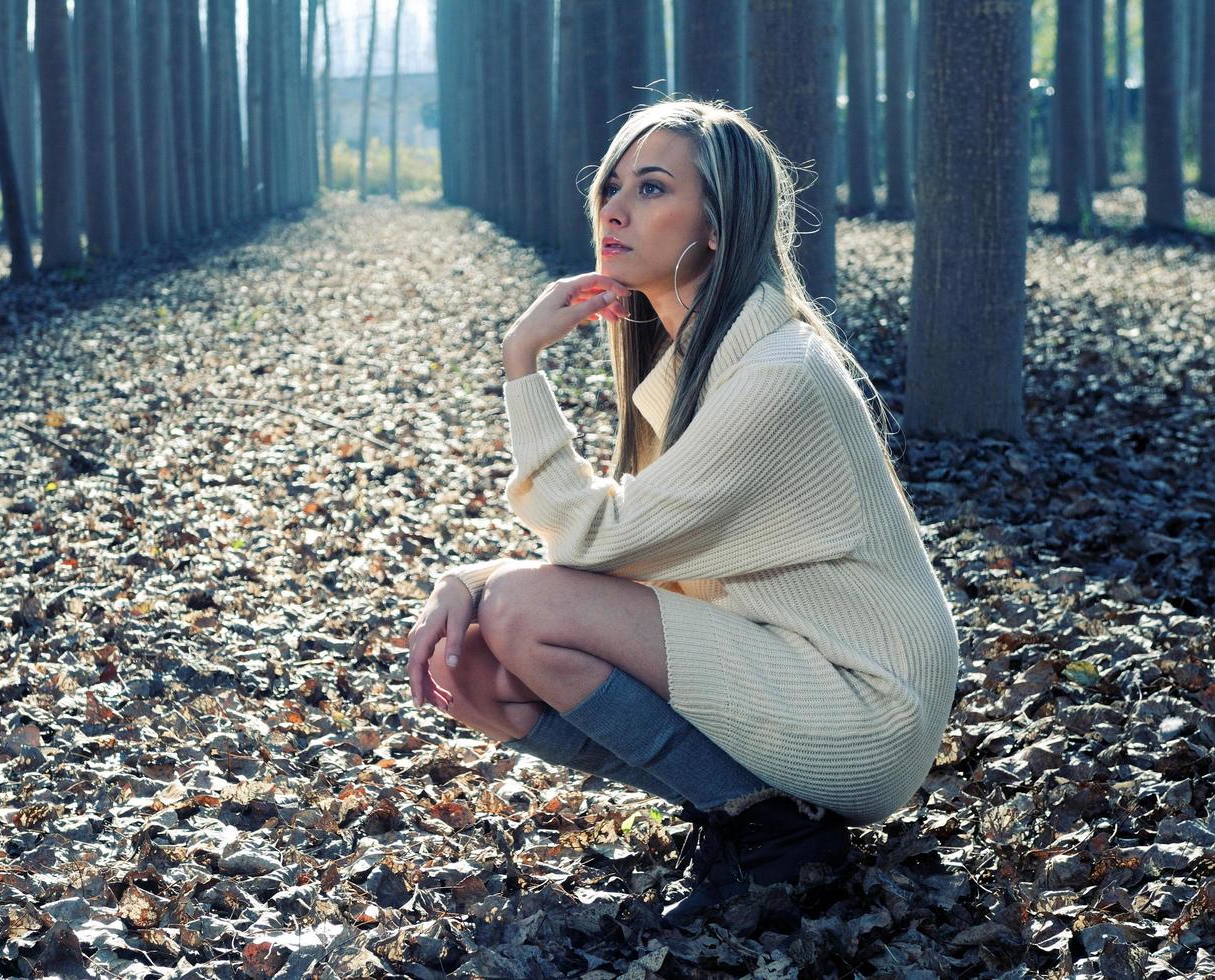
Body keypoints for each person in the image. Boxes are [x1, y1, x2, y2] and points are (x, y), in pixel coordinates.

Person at [403, 99, 960, 925]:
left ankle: (772, 834)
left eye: (653, 187)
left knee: (521, 612)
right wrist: (469, 582)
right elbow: (628, 548)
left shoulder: (778, 374)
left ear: (719, 224)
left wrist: (521, 362)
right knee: (474, 668)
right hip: (792, 664)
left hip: (862, 702)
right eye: (611, 186)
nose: (616, 209)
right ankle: (746, 815)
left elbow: (592, 539)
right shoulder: (704, 366)